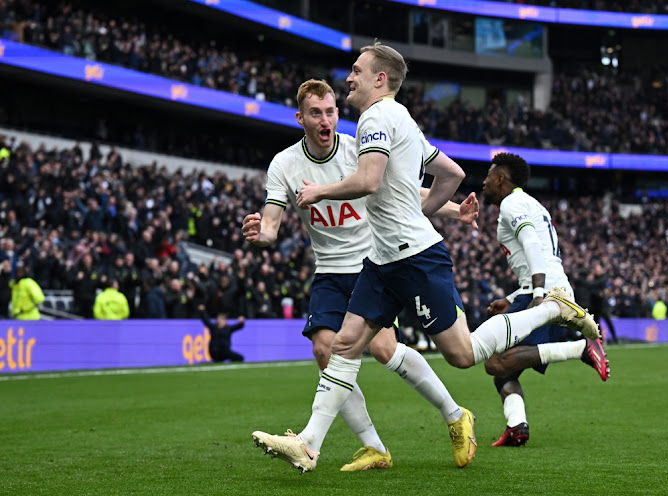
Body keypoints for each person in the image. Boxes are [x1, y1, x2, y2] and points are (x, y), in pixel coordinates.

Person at [251, 42, 599, 474]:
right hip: (380, 259)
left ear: (380, 78)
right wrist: (431, 210)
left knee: (462, 353)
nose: (349, 78)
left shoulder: (376, 118)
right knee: (342, 345)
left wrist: (322, 191)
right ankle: (309, 443)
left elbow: (370, 178)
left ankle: (548, 310)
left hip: (414, 257)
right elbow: (450, 174)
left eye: (357, 70)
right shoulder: (400, 119)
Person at [243, 79, 481, 471]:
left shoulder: (359, 149)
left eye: (331, 111)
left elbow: (406, 191)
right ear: (300, 117)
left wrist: (456, 210)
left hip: (372, 263)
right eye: (316, 113)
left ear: (338, 113)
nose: (326, 119)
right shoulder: (284, 164)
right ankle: (374, 447)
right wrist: (261, 234)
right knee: (325, 350)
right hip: (329, 270)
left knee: (384, 351)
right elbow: (270, 225)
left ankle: (455, 414)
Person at [480, 152, 610, 447]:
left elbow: (532, 244)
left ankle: (579, 348)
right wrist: (514, 297)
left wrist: (537, 294)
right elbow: (539, 255)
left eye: (488, 176)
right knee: (504, 372)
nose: (484, 182)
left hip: (545, 293)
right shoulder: (531, 203)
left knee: (495, 363)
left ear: (500, 178)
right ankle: (517, 427)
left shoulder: (512, 203)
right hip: (547, 288)